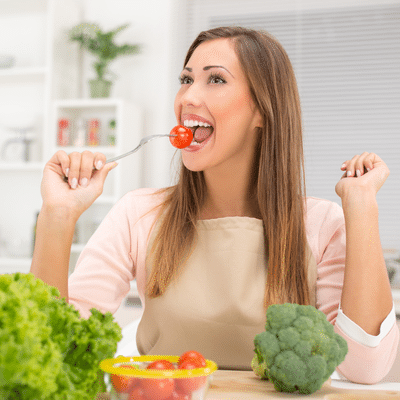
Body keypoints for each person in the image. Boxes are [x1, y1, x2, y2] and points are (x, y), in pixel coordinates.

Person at [31, 26, 398, 382]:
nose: (187, 97)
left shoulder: (321, 223)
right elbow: (54, 347)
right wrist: (57, 217)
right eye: (186, 79)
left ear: (262, 110)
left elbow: (365, 367)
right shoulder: (137, 213)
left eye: (216, 79)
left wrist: (362, 207)